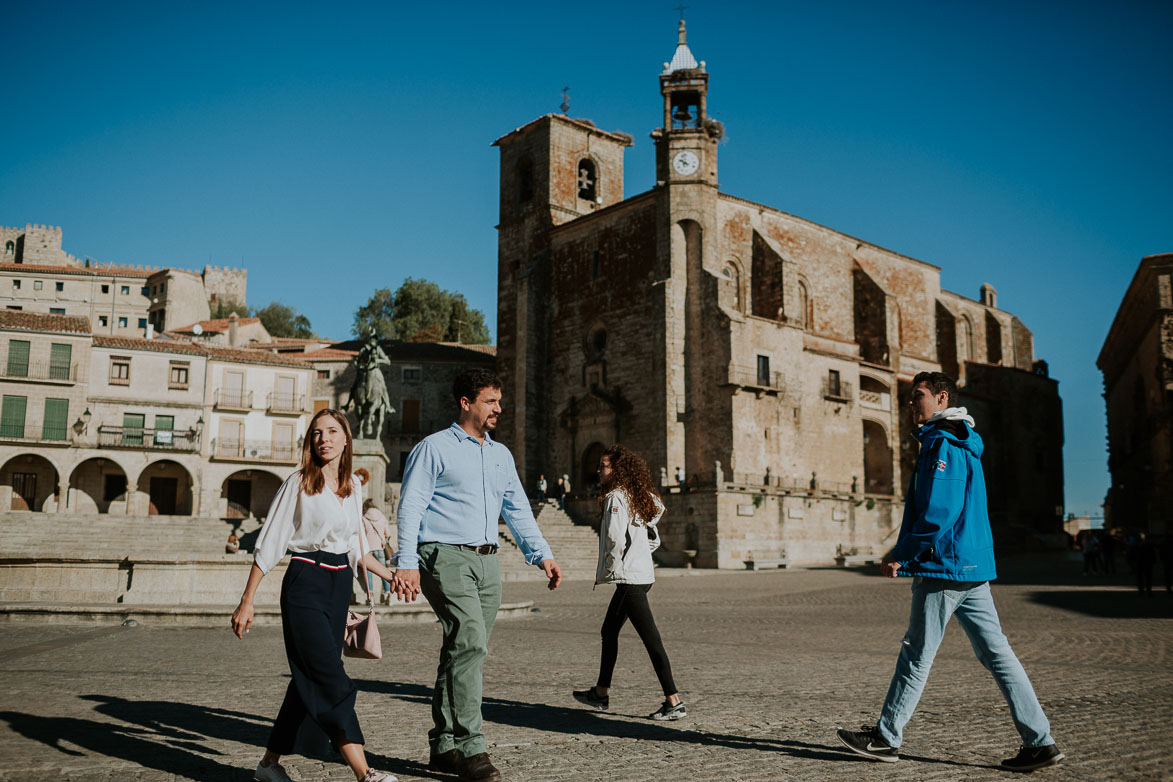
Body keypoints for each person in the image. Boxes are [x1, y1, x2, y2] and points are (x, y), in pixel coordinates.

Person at [835, 372, 1063, 773]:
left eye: (918, 396)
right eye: (909, 397)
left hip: (946, 565)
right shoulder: (960, 440)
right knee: (999, 655)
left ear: (942, 398)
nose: (911, 403)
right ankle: (1039, 742)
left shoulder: (943, 442)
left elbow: (940, 510)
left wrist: (901, 554)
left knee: (916, 655)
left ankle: (886, 738)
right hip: (972, 565)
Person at [391, 368, 562, 782]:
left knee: (465, 649)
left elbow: (517, 508)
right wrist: (406, 561)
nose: (498, 409)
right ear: (466, 403)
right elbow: (411, 504)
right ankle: (472, 747)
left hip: (487, 561)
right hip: (443, 555)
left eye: (499, 401)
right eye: (491, 401)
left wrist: (542, 555)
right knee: (469, 640)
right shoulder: (434, 448)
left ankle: (443, 745)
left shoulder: (500, 455)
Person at [231, 408, 396, 782]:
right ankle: (365, 773)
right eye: (318, 432)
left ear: (346, 438)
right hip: (305, 581)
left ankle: (268, 765)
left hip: (339, 587)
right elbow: (271, 542)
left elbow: (358, 550)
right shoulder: (299, 482)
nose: (324, 438)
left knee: (306, 678)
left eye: (332, 431)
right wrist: (248, 599)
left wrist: (392, 575)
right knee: (330, 676)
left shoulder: (354, 487)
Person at [572, 444, 685, 721]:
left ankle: (674, 701)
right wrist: (642, 552)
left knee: (651, 640)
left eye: (604, 466)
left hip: (630, 579)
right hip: (642, 575)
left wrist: (613, 567)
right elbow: (655, 525)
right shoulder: (638, 497)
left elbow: (613, 538)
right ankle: (600, 693)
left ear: (617, 470)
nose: (598, 471)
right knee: (609, 631)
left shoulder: (615, 498)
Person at [363, 498, 394, 604]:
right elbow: (388, 533)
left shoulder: (364, 518)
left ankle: (370, 596)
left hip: (368, 549)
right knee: (382, 572)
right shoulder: (382, 516)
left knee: (368, 574)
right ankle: (387, 594)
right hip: (380, 548)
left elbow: (362, 534)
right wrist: (384, 540)